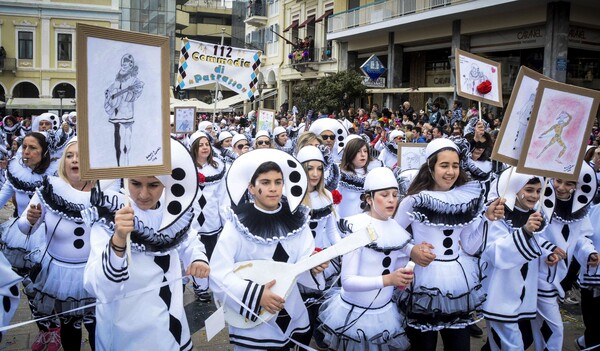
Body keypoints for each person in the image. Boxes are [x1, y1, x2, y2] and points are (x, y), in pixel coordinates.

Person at [83, 138, 209, 350]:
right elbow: (97, 286)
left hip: (170, 317)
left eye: (153, 185)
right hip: (126, 324)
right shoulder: (108, 216)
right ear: (125, 180)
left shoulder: (175, 212)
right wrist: (118, 240)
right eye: (135, 183)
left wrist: (197, 259)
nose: (143, 194)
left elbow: (189, 240)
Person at [209, 149, 328, 350]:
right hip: (253, 321)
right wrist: (256, 296)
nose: (273, 188)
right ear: (252, 188)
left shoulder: (297, 219)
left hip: (292, 312)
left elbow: (303, 260)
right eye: (265, 183)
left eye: (278, 182)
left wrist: (313, 265)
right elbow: (219, 273)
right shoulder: (237, 223)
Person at [394, 138, 502, 351]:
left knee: (460, 346)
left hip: (457, 281)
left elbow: (470, 246)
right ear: (431, 167)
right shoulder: (415, 200)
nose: (451, 171)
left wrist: (487, 218)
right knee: (423, 346)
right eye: (444, 165)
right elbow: (391, 236)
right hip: (423, 281)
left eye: (455, 165)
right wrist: (411, 250)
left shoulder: (465, 199)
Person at [18, 138, 105, 351]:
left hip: (93, 271)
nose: (75, 160)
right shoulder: (48, 189)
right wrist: (31, 218)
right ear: (63, 162)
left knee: (98, 327)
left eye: (80, 156)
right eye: (69, 155)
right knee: (69, 328)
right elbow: (24, 228)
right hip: (61, 274)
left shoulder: (105, 193)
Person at [318, 167, 413, 350]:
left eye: (395, 194)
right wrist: (388, 279)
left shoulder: (397, 231)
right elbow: (348, 281)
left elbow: (396, 267)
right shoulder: (356, 228)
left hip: (384, 312)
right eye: (384, 195)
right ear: (369, 198)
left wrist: (403, 278)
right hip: (355, 314)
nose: (392, 200)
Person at [479, 168, 554, 350]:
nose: (535, 196)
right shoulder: (497, 214)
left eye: (538, 190)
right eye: (529, 190)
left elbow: (536, 243)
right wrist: (526, 231)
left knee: (521, 338)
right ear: (513, 188)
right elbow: (496, 253)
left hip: (523, 293)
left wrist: (549, 252)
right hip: (501, 292)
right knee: (511, 345)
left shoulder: (534, 215)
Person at [0, 132, 61, 350]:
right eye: (24, 147)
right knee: (28, 286)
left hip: (48, 237)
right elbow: (3, 195)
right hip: (20, 234)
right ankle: (44, 330)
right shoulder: (16, 171)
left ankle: (55, 330)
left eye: (33, 148)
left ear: (44, 151)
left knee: (46, 287)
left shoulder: (56, 173)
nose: (26, 152)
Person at [531, 162, 598, 351]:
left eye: (569, 183)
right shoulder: (538, 202)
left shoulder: (581, 208)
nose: (561, 187)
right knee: (555, 327)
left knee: (538, 325)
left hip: (559, 275)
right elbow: (531, 235)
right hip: (539, 274)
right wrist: (547, 249)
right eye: (558, 180)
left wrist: (589, 252)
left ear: (577, 186)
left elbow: (580, 238)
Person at [295, 145, 341, 348]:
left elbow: (331, 231)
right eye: (309, 168)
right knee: (300, 319)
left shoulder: (327, 196)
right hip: (301, 264)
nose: (315, 174)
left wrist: (343, 251)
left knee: (321, 315)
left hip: (325, 263)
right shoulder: (292, 197)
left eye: (319, 168)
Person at [187, 131, 228, 302]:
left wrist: (226, 220)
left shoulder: (218, 166)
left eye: (207, 144)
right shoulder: (186, 166)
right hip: (192, 220)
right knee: (194, 253)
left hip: (211, 220)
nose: (204, 147)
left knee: (210, 253)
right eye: (200, 144)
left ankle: (206, 284)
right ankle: (199, 287)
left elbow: (222, 196)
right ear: (194, 148)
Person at [103, 53, 144, 167]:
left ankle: (126, 164)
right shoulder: (117, 80)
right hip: (115, 115)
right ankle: (117, 165)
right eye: (123, 63)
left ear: (131, 66)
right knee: (116, 140)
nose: (124, 66)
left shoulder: (134, 81)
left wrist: (128, 92)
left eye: (126, 63)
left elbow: (133, 96)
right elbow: (109, 92)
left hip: (126, 115)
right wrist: (108, 94)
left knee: (127, 140)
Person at [337, 136, 383, 218]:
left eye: (365, 151)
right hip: (345, 225)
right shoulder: (339, 175)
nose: (363, 155)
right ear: (350, 154)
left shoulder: (375, 173)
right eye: (358, 151)